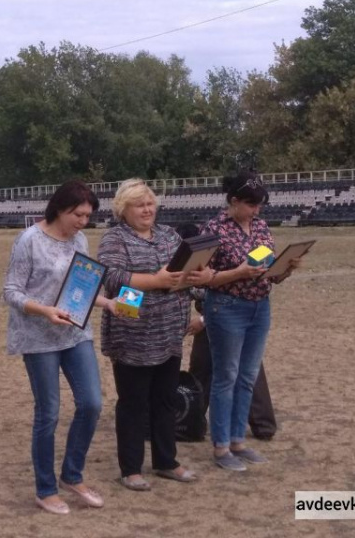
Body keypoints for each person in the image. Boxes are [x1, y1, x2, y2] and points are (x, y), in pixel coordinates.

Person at [3, 179, 118, 515]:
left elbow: (82, 285)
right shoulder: (29, 241)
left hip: (75, 335)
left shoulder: (80, 240)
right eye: (78, 214)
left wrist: (107, 303)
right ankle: (46, 488)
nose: (84, 222)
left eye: (88, 216)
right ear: (59, 208)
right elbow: (11, 292)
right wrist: (46, 311)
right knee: (48, 413)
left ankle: (72, 474)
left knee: (92, 404)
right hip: (38, 339)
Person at [97, 178, 213, 491]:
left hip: (169, 331)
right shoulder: (114, 239)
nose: (147, 210)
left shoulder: (169, 234)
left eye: (150, 204)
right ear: (124, 209)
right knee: (133, 403)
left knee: (165, 399)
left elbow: (184, 268)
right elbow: (112, 277)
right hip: (132, 333)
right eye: (139, 204)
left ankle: (166, 461)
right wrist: (157, 279)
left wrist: (197, 275)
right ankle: (130, 468)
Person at [200, 171, 301, 471]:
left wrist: (286, 268)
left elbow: (268, 270)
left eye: (259, 205)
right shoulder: (213, 229)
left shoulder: (260, 226)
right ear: (234, 201)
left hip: (260, 306)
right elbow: (202, 277)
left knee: (247, 376)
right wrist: (240, 273)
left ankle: (237, 441)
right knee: (226, 377)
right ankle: (220, 447)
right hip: (226, 307)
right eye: (251, 205)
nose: (256, 211)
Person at [176, 223, 277, 440]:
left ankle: (263, 424)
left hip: (225, 315)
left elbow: (218, 286)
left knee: (245, 372)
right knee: (204, 369)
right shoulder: (206, 249)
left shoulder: (215, 252)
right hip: (215, 316)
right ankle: (191, 421)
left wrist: (203, 320)